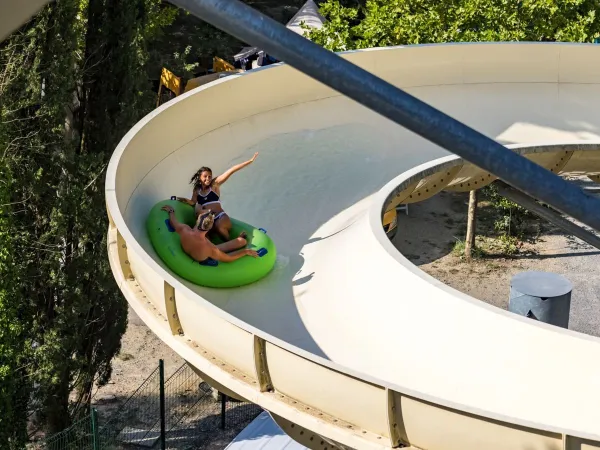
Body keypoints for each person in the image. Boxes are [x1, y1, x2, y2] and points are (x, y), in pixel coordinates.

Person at [175, 152, 259, 242]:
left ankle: (234, 243)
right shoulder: (197, 190)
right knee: (203, 236)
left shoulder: (214, 185)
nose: (208, 179)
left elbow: (231, 170)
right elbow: (193, 202)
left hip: (220, 217)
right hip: (208, 219)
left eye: (210, 176)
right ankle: (213, 250)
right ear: (199, 177)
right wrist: (184, 200)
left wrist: (249, 161)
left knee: (219, 227)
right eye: (205, 176)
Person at [161, 205, 258, 265]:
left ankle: (240, 240)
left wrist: (171, 212)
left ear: (198, 220)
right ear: (210, 227)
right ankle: (241, 242)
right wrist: (245, 252)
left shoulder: (184, 229)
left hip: (196, 248)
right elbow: (228, 258)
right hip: (205, 255)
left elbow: (173, 222)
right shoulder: (210, 248)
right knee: (242, 243)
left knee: (241, 241)